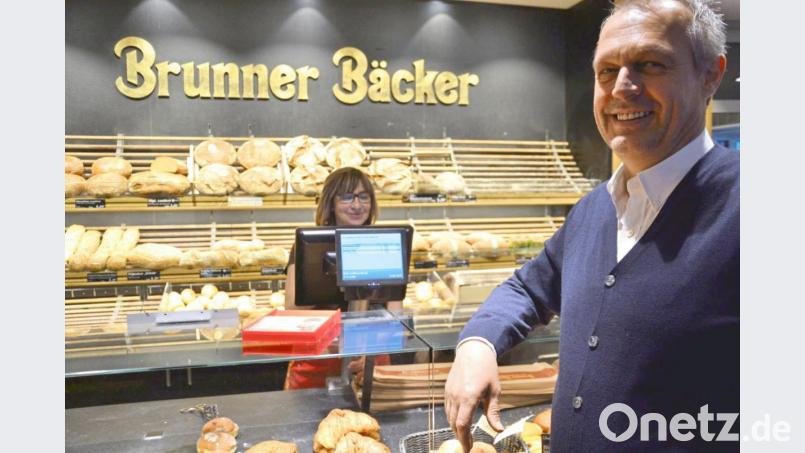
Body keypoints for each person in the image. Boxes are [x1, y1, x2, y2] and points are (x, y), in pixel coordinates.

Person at [444, 1, 737, 451]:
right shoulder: (592, 211)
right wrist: (478, 344)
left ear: (710, 75)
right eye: (606, 70)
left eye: (649, 64)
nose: (622, 87)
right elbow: (527, 287)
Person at [284, 167, 396, 389]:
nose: (357, 205)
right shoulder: (309, 246)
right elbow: (293, 306)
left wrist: (370, 352)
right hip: (319, 359)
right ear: (331, 203)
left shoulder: (385, 245)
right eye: (346, 197)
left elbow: (395, 315)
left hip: (371, 360)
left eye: (364, 197)